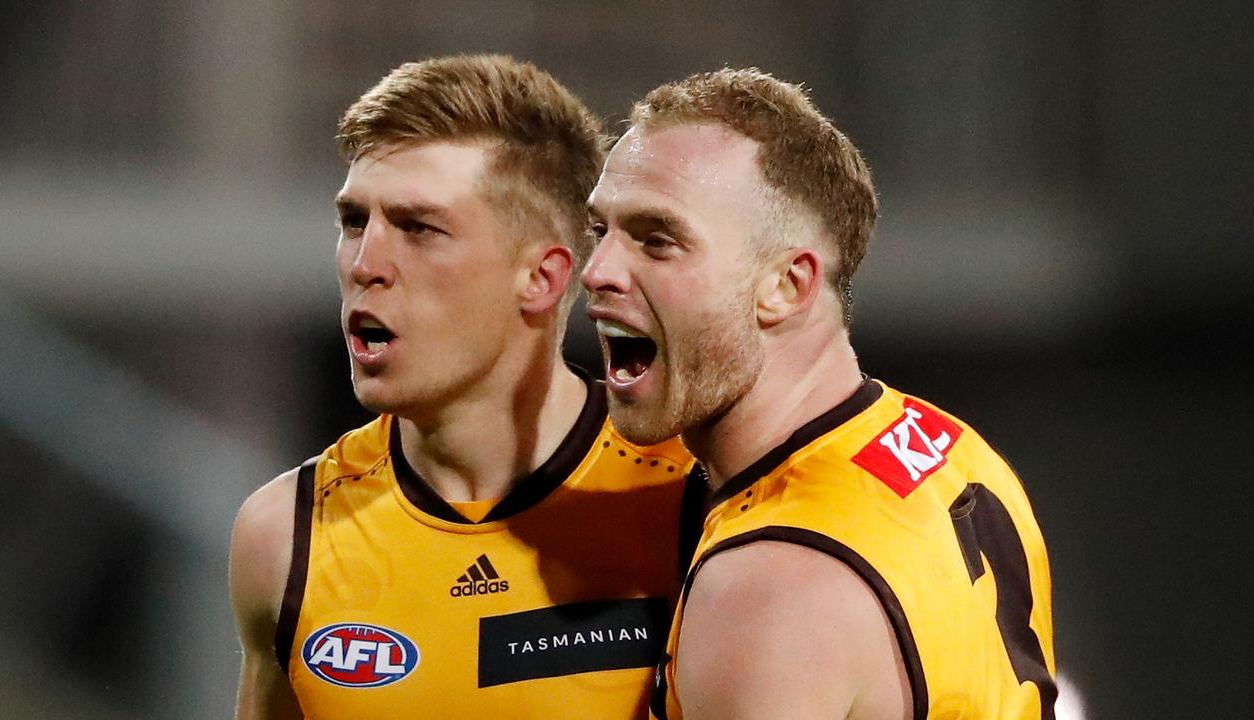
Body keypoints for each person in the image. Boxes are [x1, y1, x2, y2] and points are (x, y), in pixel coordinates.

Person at [229, 55, 693, 720]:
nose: (366, 265)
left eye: (418, 228)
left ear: (541, 277)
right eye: (356, 221)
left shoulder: (691, 503)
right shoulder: (285, 539)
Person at [582, 68, 1056, 720]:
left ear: (785, 284)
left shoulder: (766, 587)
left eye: (658, 240)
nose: (597, 271)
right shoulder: (946, 445)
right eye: (599, 231)